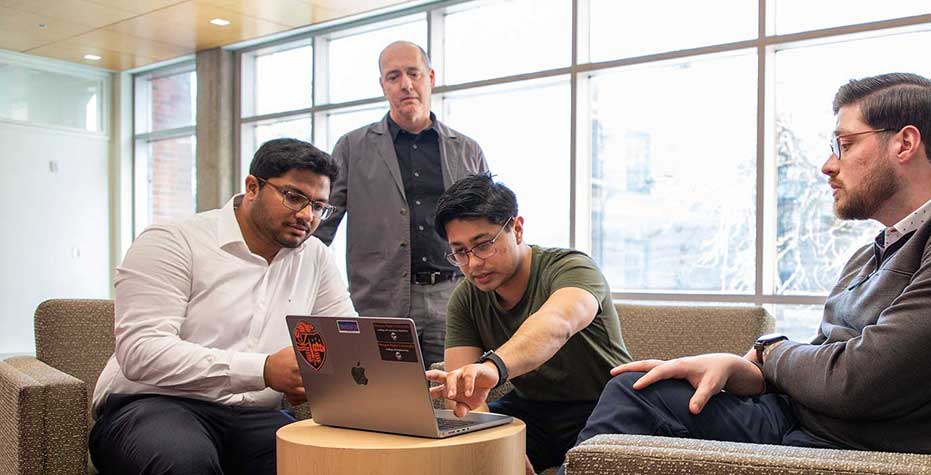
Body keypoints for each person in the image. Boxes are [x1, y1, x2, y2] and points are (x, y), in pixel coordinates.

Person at [574, 73, 931, 459]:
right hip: (810, 426)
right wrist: (746, 371)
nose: (828, 165)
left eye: (845, 143)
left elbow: (858, 380)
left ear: (904, 143)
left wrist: (771, 354)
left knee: (635, 401)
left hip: (864, 455)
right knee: (639, 391)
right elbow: (827, 360)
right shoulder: (882, 247)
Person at [89, 138, 356, 475]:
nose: (306, 215)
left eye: (318, 206)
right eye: (294, 197)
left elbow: (346, 342)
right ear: (252, 187)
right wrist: (263, 369)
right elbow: (141, 352)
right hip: (153, 406)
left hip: (256, 417)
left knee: (328, 464)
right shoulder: (172, 241)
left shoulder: (315, 257)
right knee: (183, 462)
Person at [424, 174, 633, 474]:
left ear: (517, 229)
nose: (473, 264)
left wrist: (493, 367)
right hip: (533, 409)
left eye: (483, 245)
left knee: (583, 464)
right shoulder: (466, 298)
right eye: (460, 252)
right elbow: (465, 395)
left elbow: (556, 324)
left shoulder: (572, 267)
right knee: (459, 449)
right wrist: (494, 445)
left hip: (603, 403)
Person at [314, 40, 489, 366]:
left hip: (452, 296)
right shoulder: (352, 147)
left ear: (431, 77)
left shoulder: (467, 149)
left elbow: (490, 225)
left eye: (414, 73)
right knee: (384, 401)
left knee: (452, 401)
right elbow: (323, 222)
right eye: (393, 76)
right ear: (383, 85)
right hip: (380, 299)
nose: (406, 84)